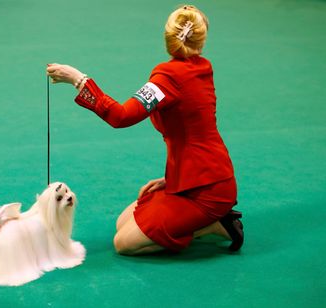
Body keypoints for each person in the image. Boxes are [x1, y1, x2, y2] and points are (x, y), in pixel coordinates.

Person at [46, 5, 243, 255]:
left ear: (168, 38)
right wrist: (172, 178)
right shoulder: (202, 67)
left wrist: (77, 79)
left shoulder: (167, 78)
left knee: (123, 243)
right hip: (195, 178)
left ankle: (215, 224)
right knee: (123, 223)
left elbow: (121, 116)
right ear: (201, 39)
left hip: (208, 190)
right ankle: (204, 219)